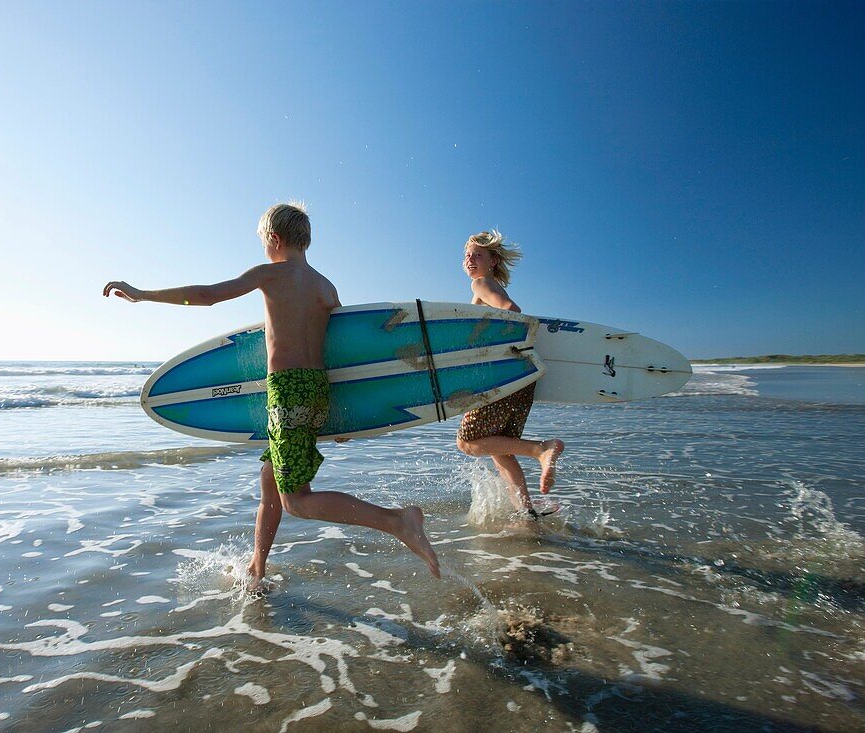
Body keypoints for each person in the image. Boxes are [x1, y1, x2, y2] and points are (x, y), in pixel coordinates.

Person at [104, 203, 440, 584]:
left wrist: (143, 294)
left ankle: (397, 521)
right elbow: (344, 352)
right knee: (270, 480)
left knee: (296, 500)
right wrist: (347, 417)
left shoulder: (270, 274)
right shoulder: (326, 286)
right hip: (316, 390)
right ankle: (257, 568)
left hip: (287, 392)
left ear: (274, 240)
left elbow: (206, 295)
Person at [456, 230, 564, 517]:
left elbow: (511, 311)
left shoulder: (481, 285)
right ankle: (526, 513)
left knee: (468, 443)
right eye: (467, 254)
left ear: (492, 261)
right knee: (500, 450)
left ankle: (542, 449)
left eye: (478, 254)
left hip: (502, 376)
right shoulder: (490, 285)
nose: (470, 259)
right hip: (521, 375)